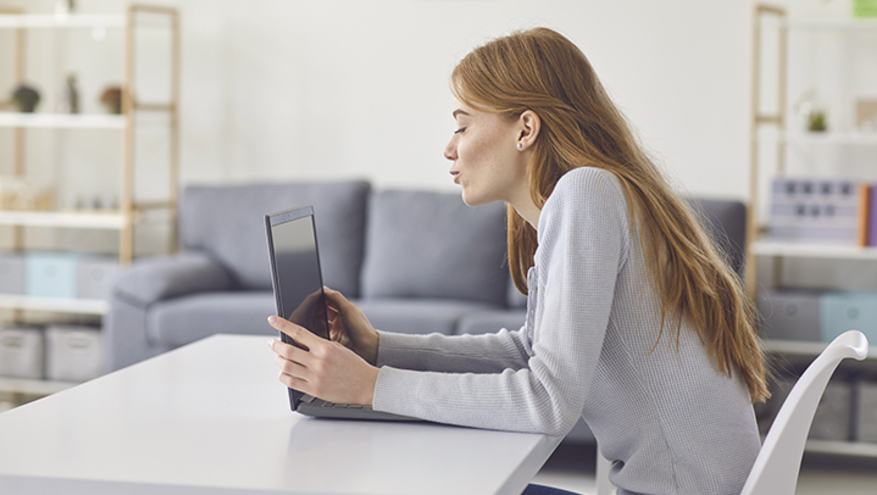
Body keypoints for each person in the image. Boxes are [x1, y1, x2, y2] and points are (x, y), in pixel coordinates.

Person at [267, 27, 769, 495]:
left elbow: (548, 400)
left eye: (463, 126)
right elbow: (534, 352)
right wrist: (379, 349)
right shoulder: (594, 195)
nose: (449, 147)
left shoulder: (586, 193)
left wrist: (373, 387)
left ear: (526, 128)